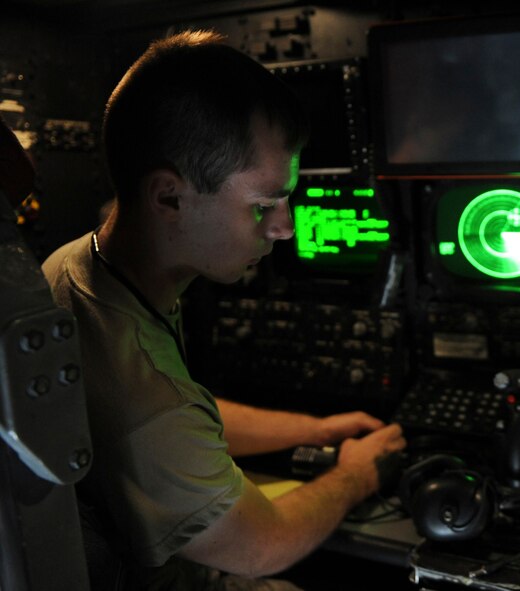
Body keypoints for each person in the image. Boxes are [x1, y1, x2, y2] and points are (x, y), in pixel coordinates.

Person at [41, 29, 406, 590]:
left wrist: (317, 428)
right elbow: (264, 544)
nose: (284, 227)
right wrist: (357, 473)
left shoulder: (76, 266)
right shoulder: (146, 390)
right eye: (263, 205)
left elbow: (188, 427)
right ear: (169, 198)